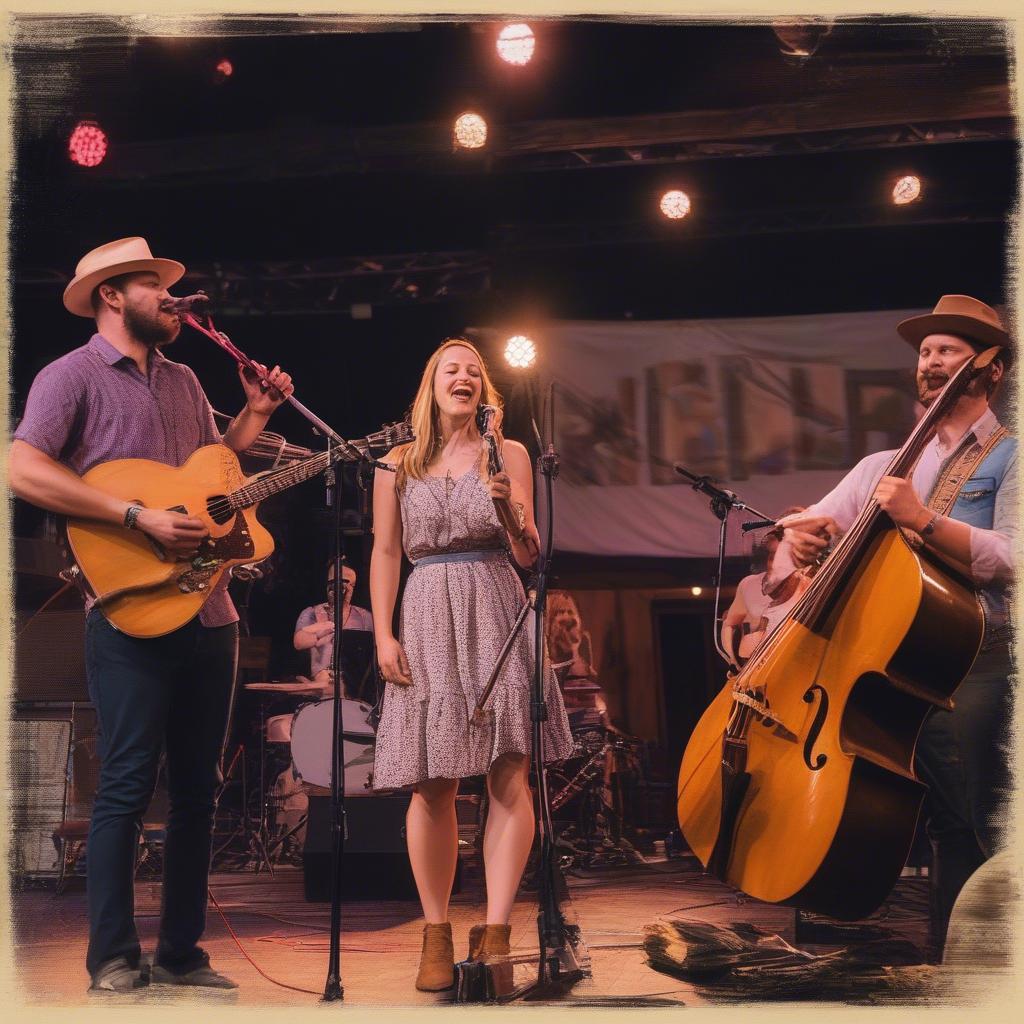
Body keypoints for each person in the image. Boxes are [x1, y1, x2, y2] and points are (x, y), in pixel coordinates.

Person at [8, 237, 295, 992]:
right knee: (128, 785)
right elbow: (22, 465)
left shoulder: (185, 379)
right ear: (112, 295)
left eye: (175, 292)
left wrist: (254, 419)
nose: (173, 301)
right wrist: (133, 515)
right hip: (129, 609)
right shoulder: (68, 377)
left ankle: (181, 952)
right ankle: (110, 957)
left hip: (210, 610)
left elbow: (207, 479)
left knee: (200, 788)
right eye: (156, 290)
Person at [767, 295, 1015, 961]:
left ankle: (979, 970)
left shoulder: (1010, 456)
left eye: (946, 351)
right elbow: (803, 528)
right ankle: (948, 963)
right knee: (938, 823)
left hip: (983, 659)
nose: (929, 363)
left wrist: (924, 520)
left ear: (988, 369)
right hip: (900, 669)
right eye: (925, 353)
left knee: (976, 822)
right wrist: (801, 542)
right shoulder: (886, 465)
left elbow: (1015, 556)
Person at [369, 337, 574, 991]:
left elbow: (528, 552)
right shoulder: (395, 463)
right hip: (426, 612)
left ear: (487, 392)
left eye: (474, 371)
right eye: (450, 369)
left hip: (496, 605)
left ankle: (496, 933)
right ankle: (435, 933)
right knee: (432, 781)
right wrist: (382, 635)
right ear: (431, 388)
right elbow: (384, 552)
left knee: (507, 772)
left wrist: (506, 501)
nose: (464, 376)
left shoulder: (506, 453)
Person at [720, 508, 808, 669]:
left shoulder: (810, 584)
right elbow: (729, 623)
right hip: (750, 670)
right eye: (773, 556)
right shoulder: (749, 584)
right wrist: (733, 661)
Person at [293, 560, 374, 694]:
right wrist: (321, 631)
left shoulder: (365, 617)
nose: (345, 589)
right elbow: (299, 641)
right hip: (321, 686)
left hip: (354, 688)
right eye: (339, 582)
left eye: (351, 585)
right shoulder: (312, 613)